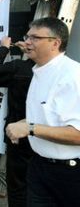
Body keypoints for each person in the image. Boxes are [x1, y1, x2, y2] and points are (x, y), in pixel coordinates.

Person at [6, 17, 80, 206]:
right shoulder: (40, 71)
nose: (27, 42)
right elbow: (51, 115)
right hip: (39, 167)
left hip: (71, 174)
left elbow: (78, 134)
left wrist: (30, 128)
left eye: (35, 38)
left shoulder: (72, 77)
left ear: (55, 43)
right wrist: (25, 123)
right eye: (27, 36)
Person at [0, 36, 35, 207]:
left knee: (18, 186)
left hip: (18, 137)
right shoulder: (64, 71)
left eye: (31, 39)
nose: (27, 41)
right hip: (45, 138)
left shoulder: (19, 68)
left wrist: (4, 48)